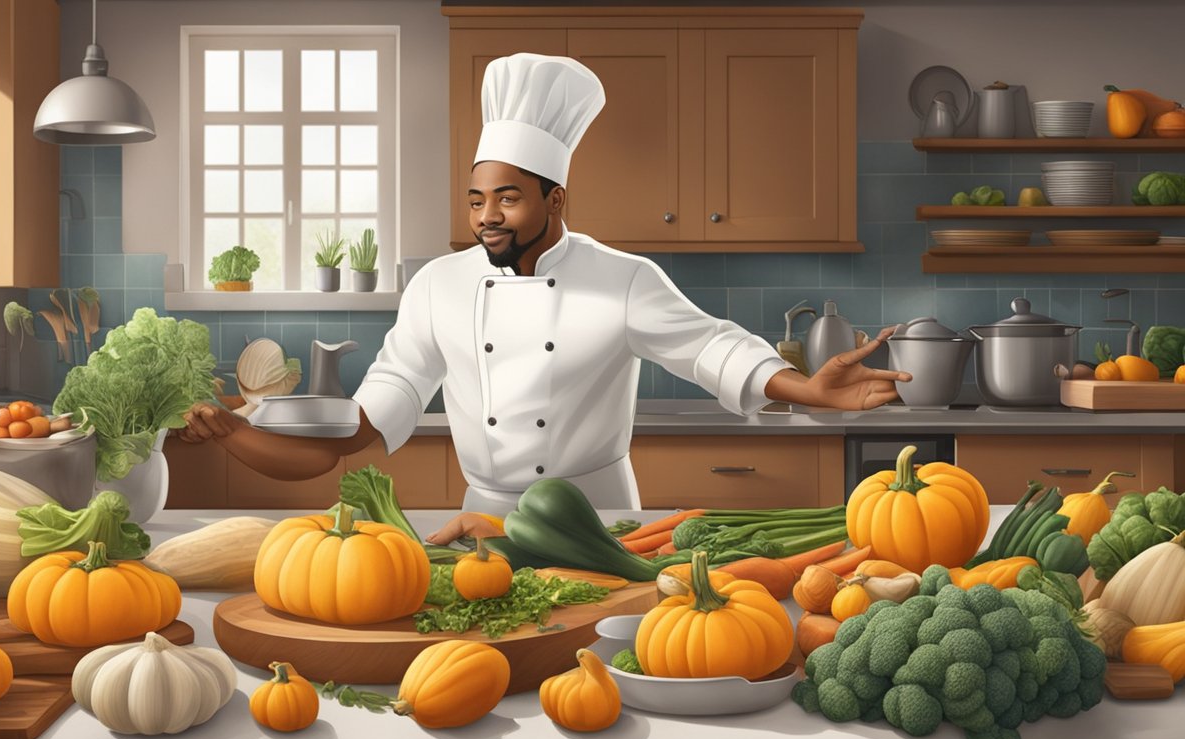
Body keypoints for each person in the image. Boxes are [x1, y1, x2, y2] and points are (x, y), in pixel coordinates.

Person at [180, 53, 910, 545]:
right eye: (475, 200)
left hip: (602, 523)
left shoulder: (621, 277)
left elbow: (710, 347)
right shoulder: (439, 287)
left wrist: (808, 389)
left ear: (554, 198)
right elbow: (358, 434)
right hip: (482, 526)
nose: (487, 216)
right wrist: (236, 438)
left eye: (506, 197)